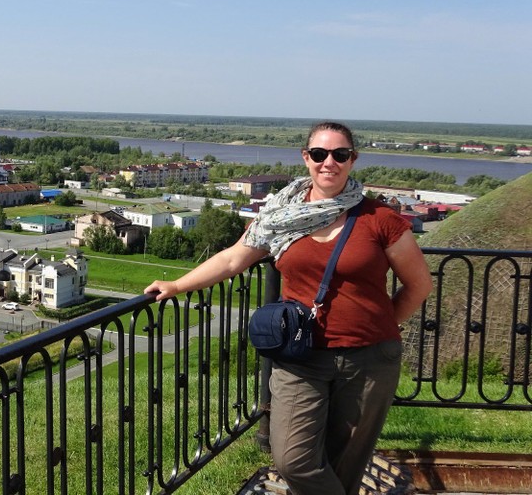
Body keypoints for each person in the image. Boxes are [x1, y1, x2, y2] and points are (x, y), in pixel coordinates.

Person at [144, 121, 432, 495]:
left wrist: (378, 329)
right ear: (306, 158)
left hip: (369, 361)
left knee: (345, 461)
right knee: (293, 459)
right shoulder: (280, 216)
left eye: (339, 155)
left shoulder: (380, 219)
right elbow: (233, 260)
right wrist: (177, 284)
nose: (329, 162)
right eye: (319, 154)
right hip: (301, 356)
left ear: (352, 160)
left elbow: (419, 285)